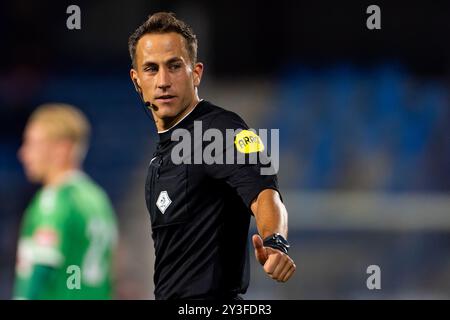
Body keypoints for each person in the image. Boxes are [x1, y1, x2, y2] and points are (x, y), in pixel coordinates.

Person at [128, 12, 296, 300]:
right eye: (151, 69)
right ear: (137, 81)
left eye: (174, 66)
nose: (163, 81)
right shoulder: (161, 156)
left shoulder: (219, 131)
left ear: (196, 73)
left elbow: (265, 193)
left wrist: (275, 241)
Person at [14, 103, 118, 299]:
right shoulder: (98, 199)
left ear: (62, 149)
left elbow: (40, 267)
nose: (23, 153)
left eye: (32, 143)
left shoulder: (54, 200)